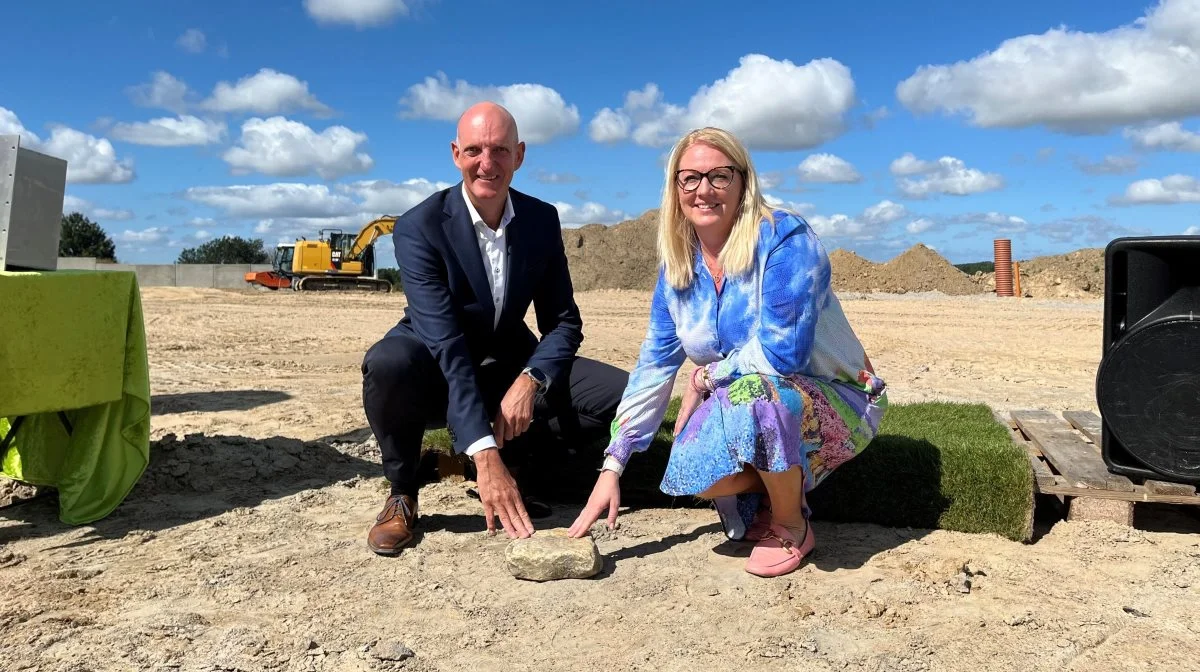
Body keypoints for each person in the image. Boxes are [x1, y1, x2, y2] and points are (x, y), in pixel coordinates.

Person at [567, 127, 887, 578]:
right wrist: (613, 464)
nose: (704, 190)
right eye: (690, 178)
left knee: (757, 394)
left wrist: (704, 379)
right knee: (690, 467)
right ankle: (772, 487)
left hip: (840, 396)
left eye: (719, 176)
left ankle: (791, 523)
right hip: (751, 398)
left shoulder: (785, 239)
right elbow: (654, 366)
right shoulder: (678, 269)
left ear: (742, 181)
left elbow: (784, 353)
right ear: (675, 188)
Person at [361, 101, 628, 556]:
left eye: (500, 150)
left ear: (519, 155)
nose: (487, 163)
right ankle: (403, 491)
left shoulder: (541, 219)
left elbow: (564, 322)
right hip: (433, 364)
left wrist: (531, 378)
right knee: (388, 364)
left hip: (508, 360)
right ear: (455, 154)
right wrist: (484, 452)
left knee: (622, 394)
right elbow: (446, 343)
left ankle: (526, 466)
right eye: (474, 150)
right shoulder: (418, 226)